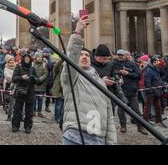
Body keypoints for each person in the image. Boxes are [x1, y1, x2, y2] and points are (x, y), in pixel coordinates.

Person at [61, 15, 117, 145]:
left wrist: (111, 142)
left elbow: (108, 114)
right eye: (81, 55)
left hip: (98, 138)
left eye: (87, 55)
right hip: (75, 135)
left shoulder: (101, 81)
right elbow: (70, 60)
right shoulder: (73, 77)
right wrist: (77, 33)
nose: (84, 57)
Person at [112, 50, 147, 135]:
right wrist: (117, 75)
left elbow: (138, 75)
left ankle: (140, 126)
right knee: (121, 110)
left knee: (136, 110)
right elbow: (111, 74)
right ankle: (123, 125)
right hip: (120, 91)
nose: (120, 56)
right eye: (119, 55)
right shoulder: (113, 64)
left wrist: (128, 73)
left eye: (122, 55)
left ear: (126, 55)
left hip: (132, 90)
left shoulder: (132, 64)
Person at [11, 52, 36, 134]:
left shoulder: (32, 69)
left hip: (30, 91)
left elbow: (36, 79)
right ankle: (15, 125)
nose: (27, 59)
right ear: (23, 59)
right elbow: (14, 78)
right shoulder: (18, 67)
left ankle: (28, 126)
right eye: (26, 58)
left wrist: (34, 79)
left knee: (29, 111)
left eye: (28, 58)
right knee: (17, 110)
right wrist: (22, 77)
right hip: (20, 91)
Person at [143, 55, 167, 128]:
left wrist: (163, 84)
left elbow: (158, 79)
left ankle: (159, 120)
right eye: (156, 62)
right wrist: (150, 90)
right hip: (151, 91)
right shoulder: (149, 70)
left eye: (157, 61)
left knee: (158, 107)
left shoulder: (156, 69)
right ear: (152, 62)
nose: (157, 63)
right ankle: (145, 121)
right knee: (148, 106)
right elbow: (147, 81)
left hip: (157, 90)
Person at [32, 51, 48, 118]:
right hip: (34, 84)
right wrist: (35, 79)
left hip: (41, 84)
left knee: (40, 99)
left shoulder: (44, 64)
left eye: (41, 57)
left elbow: (46, 74)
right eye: (38, 57)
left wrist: (40, 79)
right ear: (36, 57)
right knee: (34, 99)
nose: (40, 58)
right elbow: (31, 72)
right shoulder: (32, 64)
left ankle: (39, 112)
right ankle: (34, 111)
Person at [51, 54, 64, 124]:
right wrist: (62, 59)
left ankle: (61, 117)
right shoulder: (58, 67)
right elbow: (56, 67)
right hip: (58, 88)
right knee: (58, 104)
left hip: (64, 88)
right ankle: (57, 117)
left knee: (63, 105)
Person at [3, 55, 16, 121]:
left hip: (16, 85)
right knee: (11, 102)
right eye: (10, 60)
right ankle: (9, 116)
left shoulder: (16, 67)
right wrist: (15, 79)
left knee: (17, 102)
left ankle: (20, 116)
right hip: (9, 86)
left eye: (12, 60)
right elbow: (7, 77)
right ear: (7, 61)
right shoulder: (6, 68)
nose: (11, 61)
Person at [43, 48, 54, 113]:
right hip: (42, 79)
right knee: (39, 95)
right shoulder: (40, 58)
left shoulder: (50, 60)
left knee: (48, 94)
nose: (45, 53)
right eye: (44, 52)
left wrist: (46, 62)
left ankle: (47, 107)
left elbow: (50, 68)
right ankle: (37, 109)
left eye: (46, 52)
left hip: (49, 79)